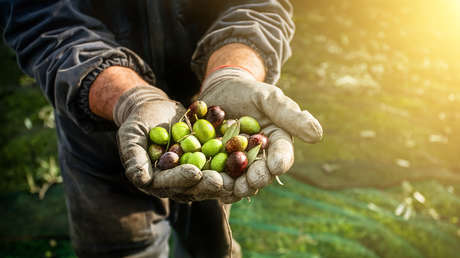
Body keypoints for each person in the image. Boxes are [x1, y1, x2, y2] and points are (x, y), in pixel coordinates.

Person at [1, 0, 322, 257]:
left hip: (211, 103)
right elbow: (43, 21)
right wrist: (130, 98)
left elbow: (257, 6)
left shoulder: (219, 137)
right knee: (120, 248)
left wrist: (232, 72)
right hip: (97, 129)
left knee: (211, 245)